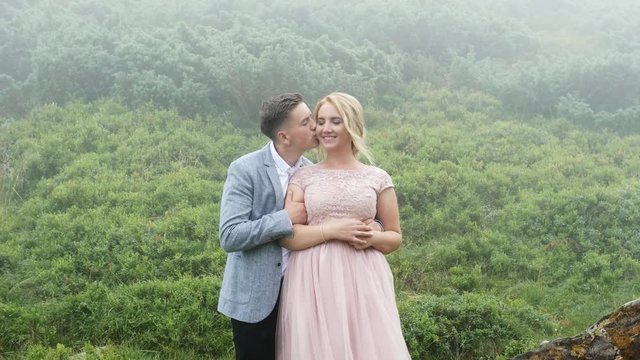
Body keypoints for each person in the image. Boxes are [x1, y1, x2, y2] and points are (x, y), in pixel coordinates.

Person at [217, 92, 378, 360]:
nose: (316, 126)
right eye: (306, 122)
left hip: (306, 293)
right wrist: (283, 217)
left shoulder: (311, 171)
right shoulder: (245, 169)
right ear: (284, 136)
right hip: (255, 300)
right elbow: (230, 236)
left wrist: (375, 226)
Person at [276, 92, 411, 359]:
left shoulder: (378, 177)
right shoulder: (303, 176)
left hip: (363, 278)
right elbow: (288, 236)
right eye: (321, 121)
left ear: (352, 125)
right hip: (312, 279)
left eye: (335, 121)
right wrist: (333, 231)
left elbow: (394, 237)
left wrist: (373, 238)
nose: (326, 129)